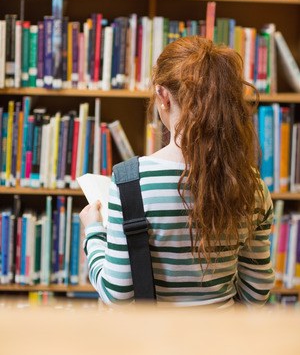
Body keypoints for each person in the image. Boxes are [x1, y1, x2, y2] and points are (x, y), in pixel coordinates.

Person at [80, 35, 275, 308]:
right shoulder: (252, 184)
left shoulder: (130, 183)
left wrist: (93, 233)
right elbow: (257, 293)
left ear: (163, 95)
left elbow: (117, 295)